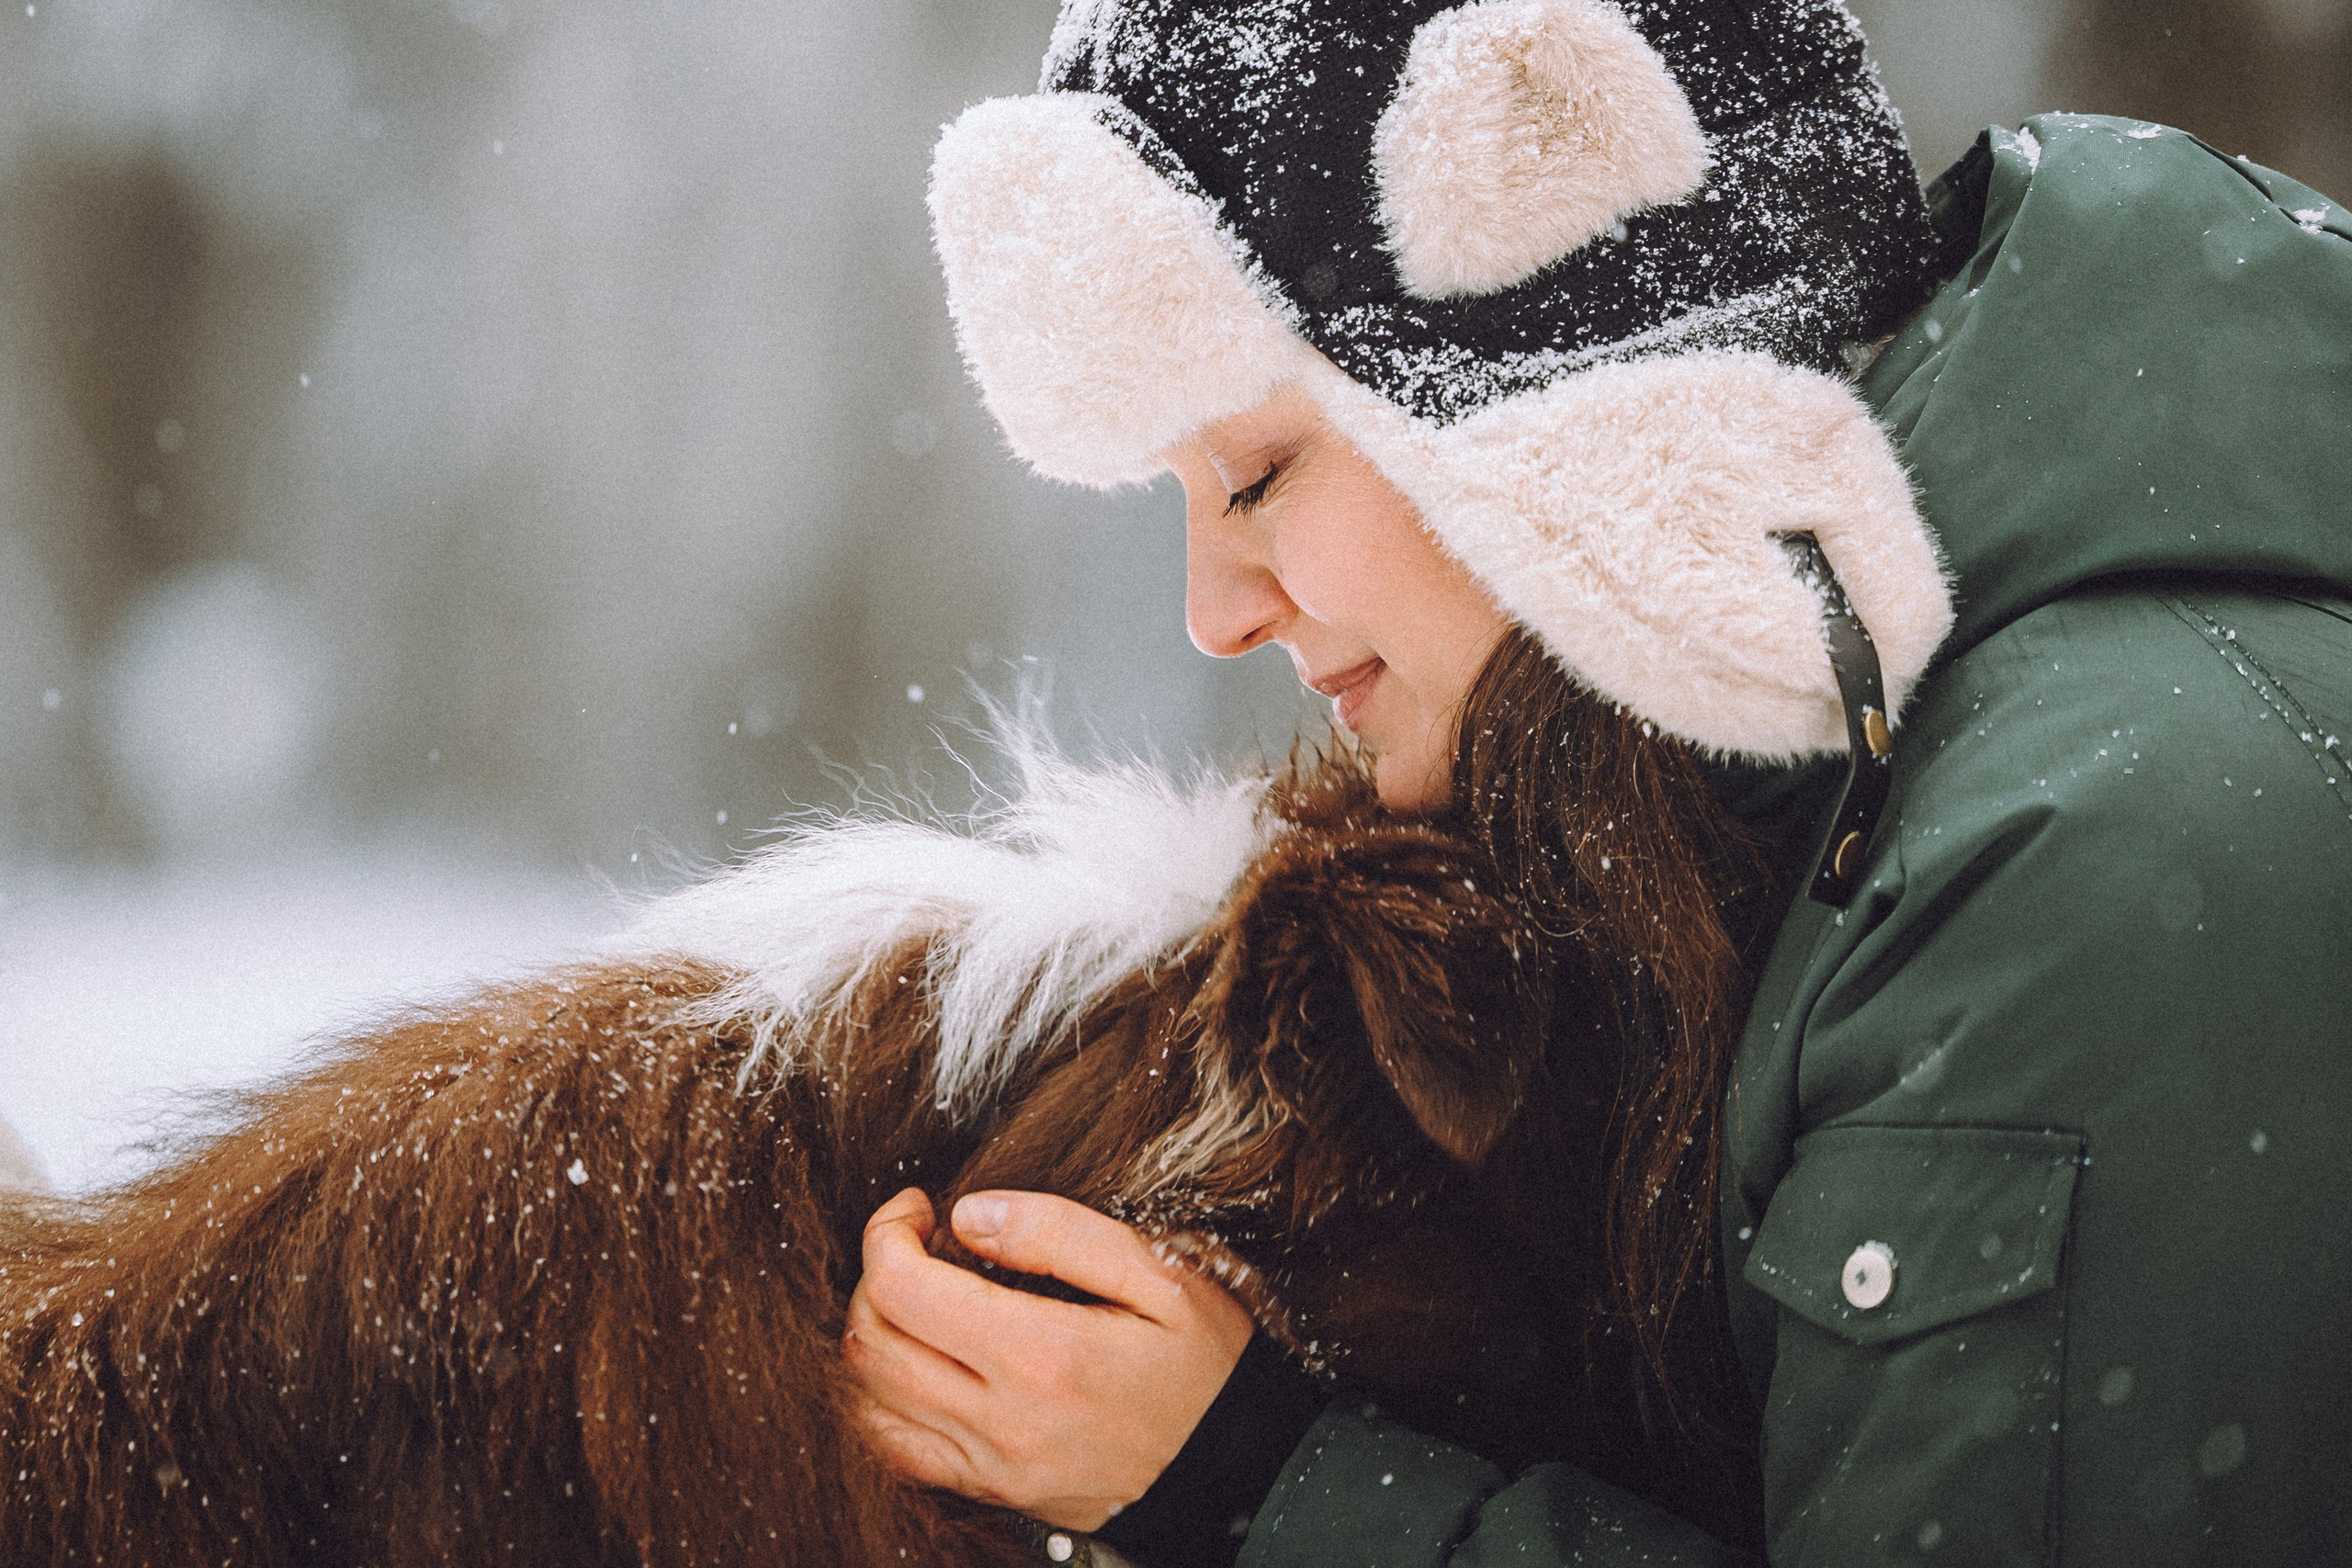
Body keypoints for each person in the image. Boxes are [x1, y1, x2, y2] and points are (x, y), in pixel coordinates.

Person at [842, 2, 2352, 1563]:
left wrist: (1262, 1494)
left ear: (1554, 385)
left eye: (1255, 476)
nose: (1212, 609)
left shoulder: (2100, 868)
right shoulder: (1830, 812)